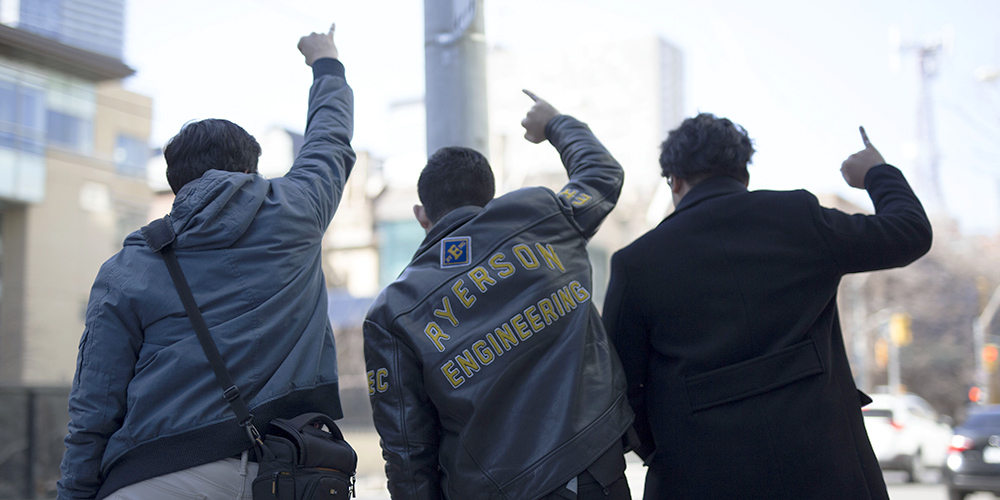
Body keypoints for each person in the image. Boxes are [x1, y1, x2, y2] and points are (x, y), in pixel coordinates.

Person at [56, 25, 353, 500]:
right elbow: (330, 139)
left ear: (176, 184)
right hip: (285, 475)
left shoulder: (130, 267)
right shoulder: (299, 210)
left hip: (156, 476)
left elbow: (94, 408)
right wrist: (326, 61)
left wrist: (74, 493)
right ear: (251, 170)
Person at [602, 114, 933, 499]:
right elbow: (910, 233)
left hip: (699, 477)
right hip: (825, 469)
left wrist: (663, 448)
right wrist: (877, 172)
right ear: (743, 173)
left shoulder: (637, 262)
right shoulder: (798, 218)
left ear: (674, 180)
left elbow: (621, 386)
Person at [363, 91, 634, 500]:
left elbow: (406, 451)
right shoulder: (542, 216)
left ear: (422, 215)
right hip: (592, 471)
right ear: (487, 199)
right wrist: (555, 123)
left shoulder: (393, 310)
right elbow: (602, 175)